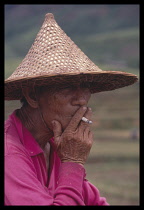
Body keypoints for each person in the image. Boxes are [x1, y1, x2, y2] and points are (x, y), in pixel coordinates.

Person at [4, 13, 138, 206]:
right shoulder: (10, 155)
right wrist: (73, 162)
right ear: (33, 96)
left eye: (86, 87)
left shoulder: (56, 145)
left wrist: (70, 161)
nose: (82, 100)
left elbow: (93, 201)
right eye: (68, 87)